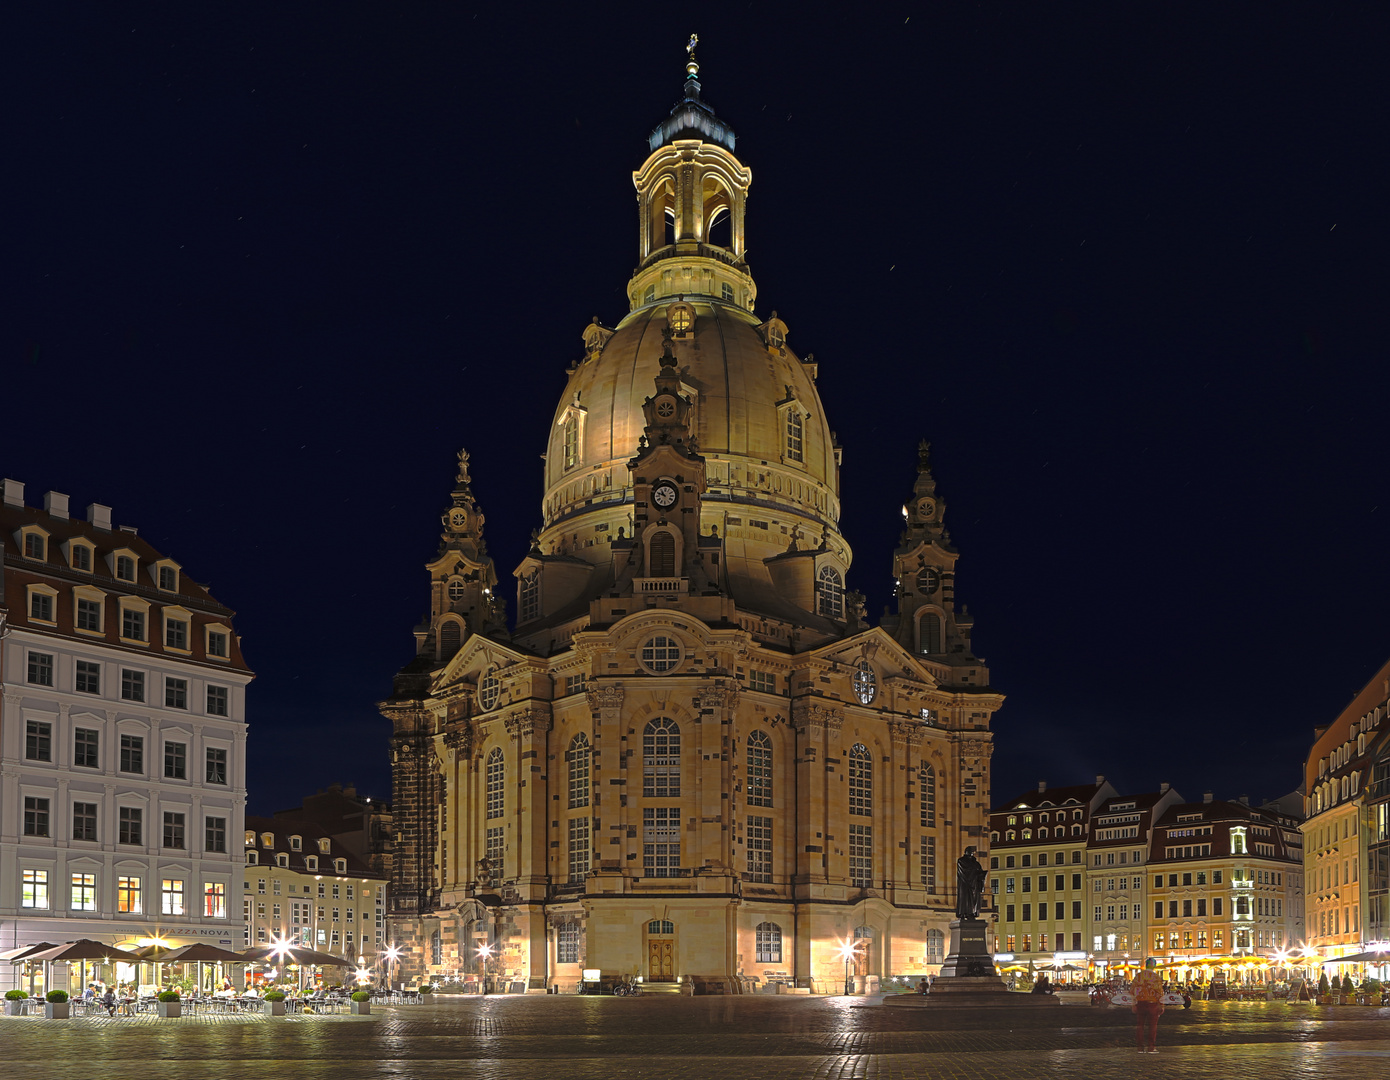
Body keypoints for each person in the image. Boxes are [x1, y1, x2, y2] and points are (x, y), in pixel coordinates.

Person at [1132, 965, 1166, 1053]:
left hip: (1140, 1003)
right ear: (1153, 966)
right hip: (1153, 1004)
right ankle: (1151, 1047)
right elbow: (1159, 992)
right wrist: (1161, 1005)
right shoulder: (1156, 977)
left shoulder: (1138, 976)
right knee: (1153, 1026)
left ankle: (1140, 1048)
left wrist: (1133, 1004)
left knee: (1140, 1026)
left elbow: (1132, 990)